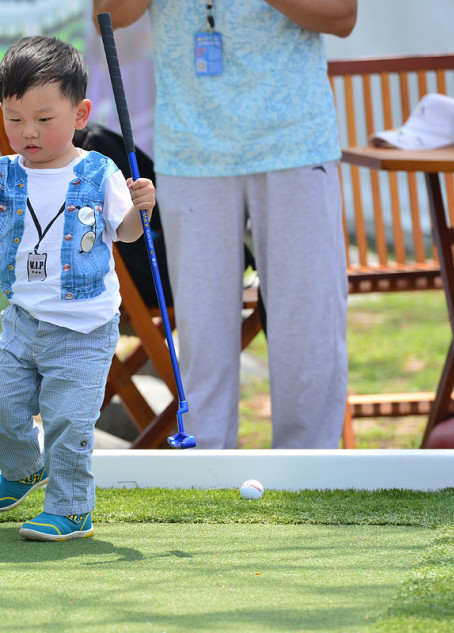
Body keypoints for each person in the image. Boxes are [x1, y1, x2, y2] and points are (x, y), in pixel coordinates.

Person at [93, 1, 358, 449]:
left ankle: (311, 476)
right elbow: (109, 14)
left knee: (308, 326)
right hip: (192, 151)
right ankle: (206, 482)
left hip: (295, 141)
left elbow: (342, 16)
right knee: (202, 339)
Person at [0, 35, 155, 540]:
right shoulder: (3, 171)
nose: (28, 133)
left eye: (44, 119)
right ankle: (23, 468)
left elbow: (124, 234)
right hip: (22, 323)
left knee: (68, 424)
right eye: (14, 119)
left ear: (80, 113)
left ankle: (71, 509)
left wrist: (139, 209)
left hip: (84, 329)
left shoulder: (97, 170)